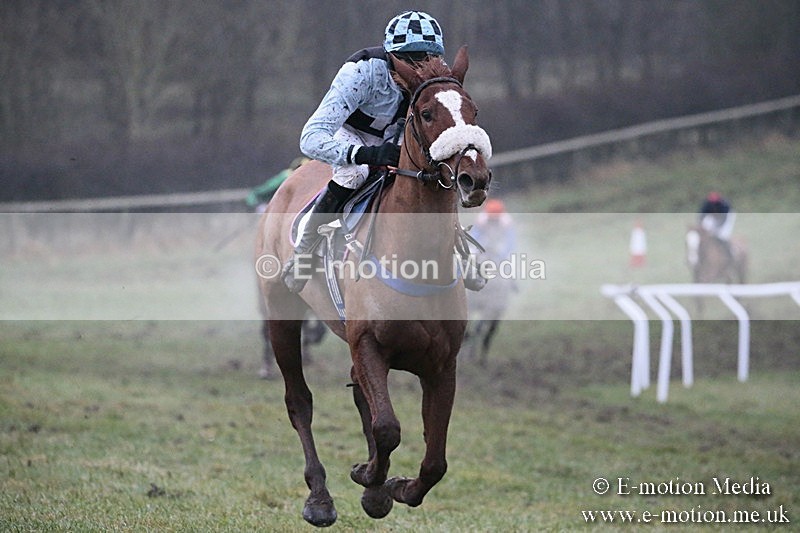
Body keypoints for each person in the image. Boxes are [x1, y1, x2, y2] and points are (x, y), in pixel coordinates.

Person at [281, 10, 445, 293]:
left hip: (397, 139)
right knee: (355, 174)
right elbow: (310, 138)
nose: (418, 70)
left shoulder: (438, 76)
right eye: (409, 60)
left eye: (426, 59)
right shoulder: (361, 71)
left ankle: (461, 253)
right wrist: (366, 155)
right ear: (390, 54)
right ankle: (304, 254)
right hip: (348, 134)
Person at [699, 191, 736, 257]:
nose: (713, 204)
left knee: (723, 235)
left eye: (715, 203)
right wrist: (701, 226)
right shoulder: (707, 204)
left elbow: (724, 220)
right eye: (712, 202)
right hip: (714, 216)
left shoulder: (723, 205)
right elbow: (701, 216)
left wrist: (716, 229)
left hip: (727, 216)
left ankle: (731, 252)